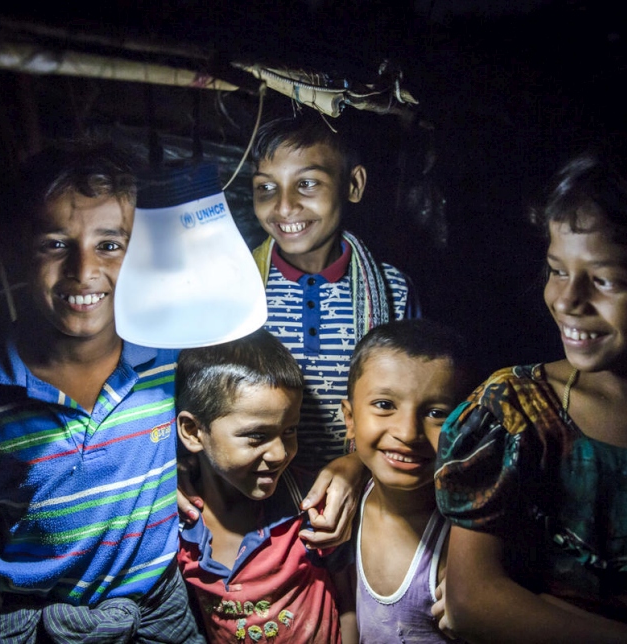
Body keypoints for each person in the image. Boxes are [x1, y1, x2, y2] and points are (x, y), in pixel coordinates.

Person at [435, 152, 627, 643]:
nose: (567, 301)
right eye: (556, 270)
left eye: (605, 280)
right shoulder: (515, 410)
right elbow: (471, 601)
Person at [0, 139, 203, 643]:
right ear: (17, 253)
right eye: (55, 244)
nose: (83, 270)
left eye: (110, 245)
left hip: (159, 616)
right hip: (35, 624)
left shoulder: (167, 358)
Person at [250, 113, 421, 475]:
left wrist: (357, 466)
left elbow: (414, 402)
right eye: (266, 187)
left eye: (307, 183)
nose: (283, 206)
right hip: (260, 493)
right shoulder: (238, 285)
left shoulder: (393, 290)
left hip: (362, 487)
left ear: (354, 185)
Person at [175, 329, 358, 643]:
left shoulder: (314, 510)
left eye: (289, 431)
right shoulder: (175, 524)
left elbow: (349, 605)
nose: (280, 454)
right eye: (257, 436)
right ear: (193, 432)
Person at [342, 319, 473, 643]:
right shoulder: (344, 509)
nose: (408, 432)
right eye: (385, 405)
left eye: (436, 412)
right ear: (350, 419)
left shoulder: (465, 546)